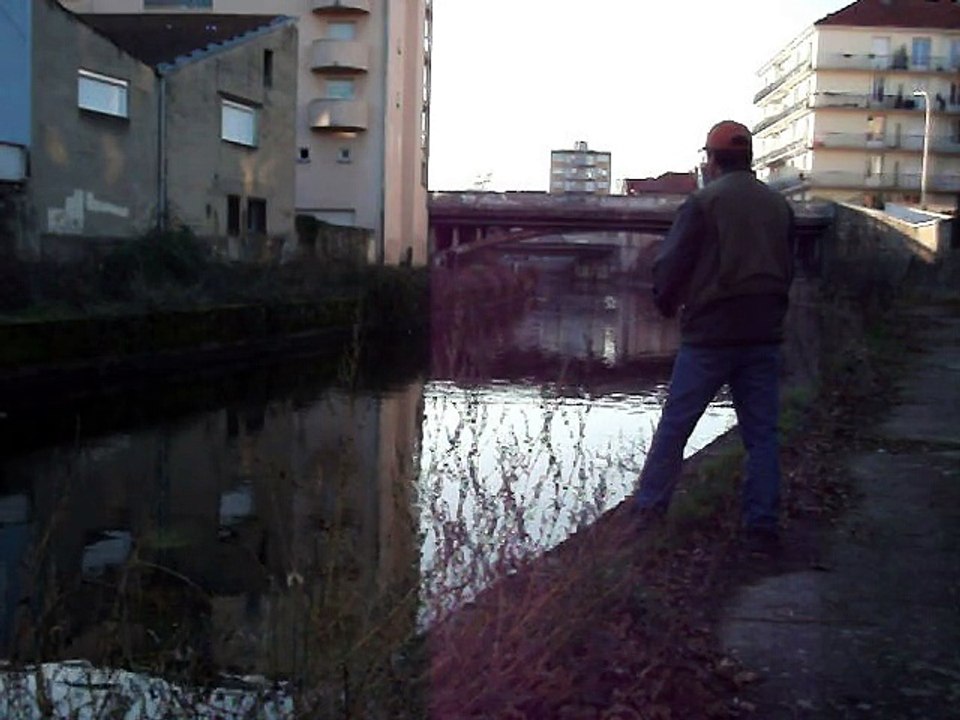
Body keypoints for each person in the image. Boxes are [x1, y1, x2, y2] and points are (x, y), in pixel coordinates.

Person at [633, 120, 795, 552]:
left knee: (675, 428)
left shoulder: (704, 203)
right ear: (749, 158)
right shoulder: (779, 206)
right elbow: (789, 267)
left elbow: (670, 265)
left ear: (711, 159)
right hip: (763, 334)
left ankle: (649, 513)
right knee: (762, 435)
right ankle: (761, 525)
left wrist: (666, 304)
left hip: (710, 335)